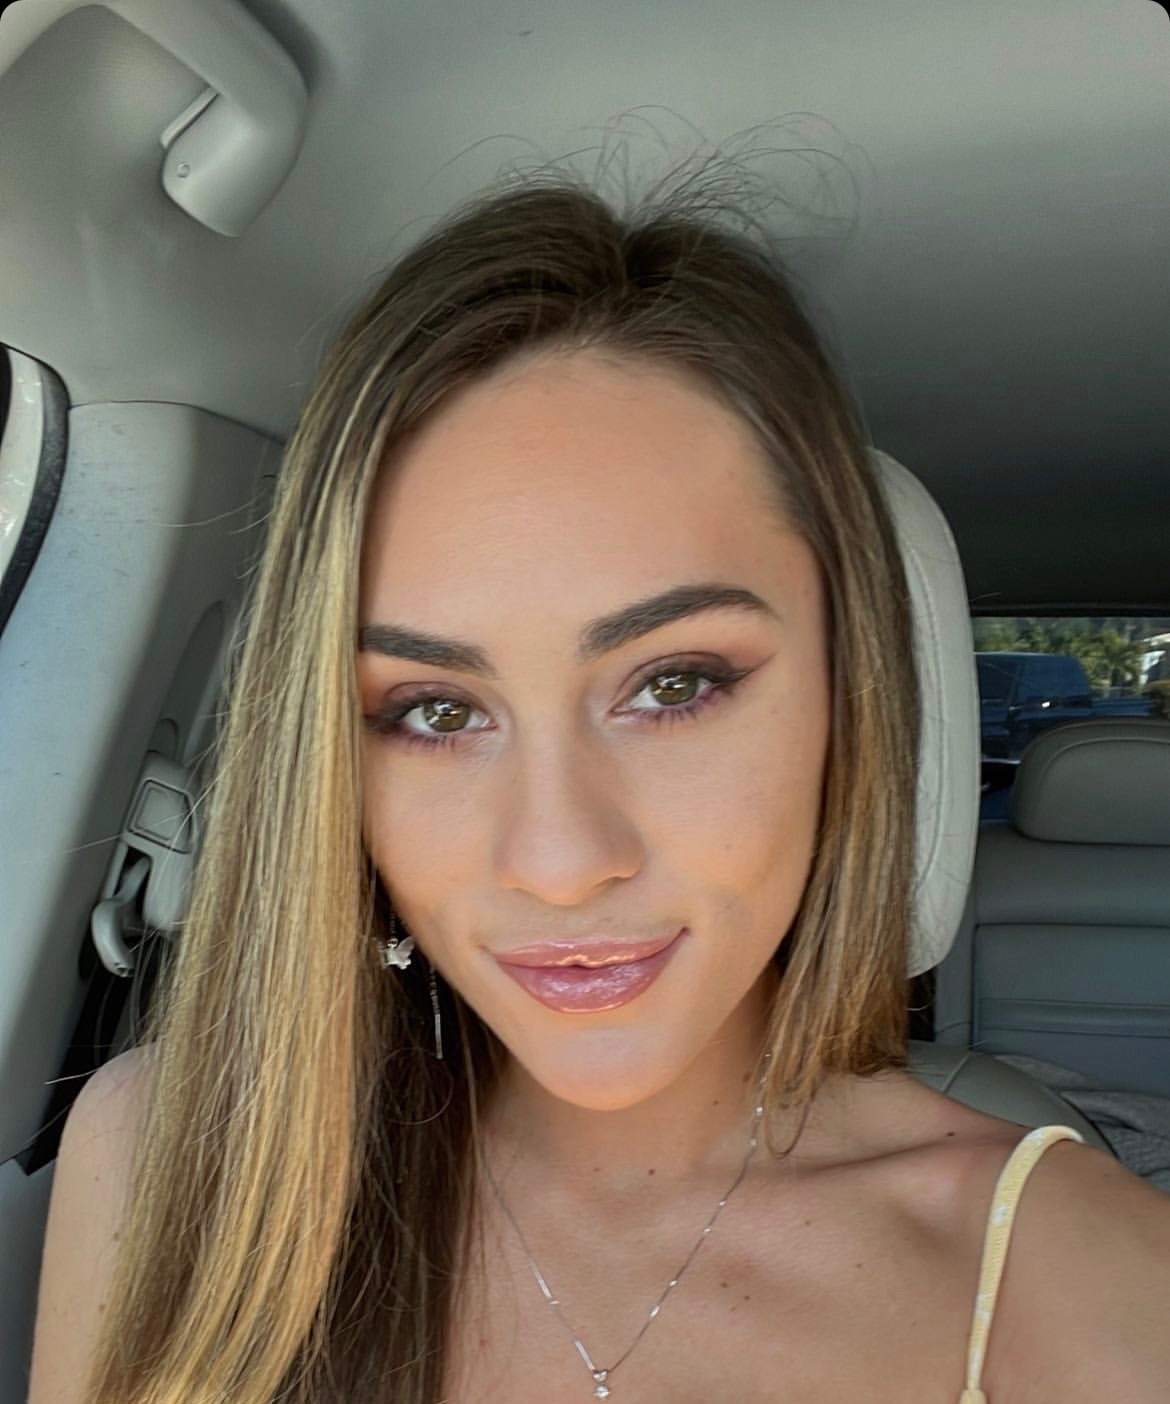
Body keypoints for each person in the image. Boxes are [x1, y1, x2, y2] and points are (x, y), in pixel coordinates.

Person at [29, 177, 1170, 1404]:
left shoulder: (1074, 1272)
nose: (561, 862)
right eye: (435, 712)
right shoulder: (170, 1157)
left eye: (674, 686)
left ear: (851, 699)